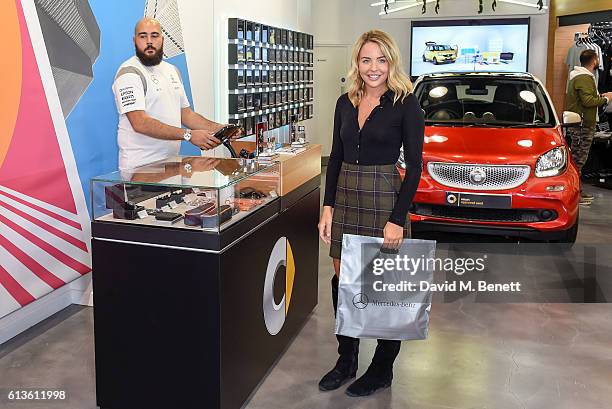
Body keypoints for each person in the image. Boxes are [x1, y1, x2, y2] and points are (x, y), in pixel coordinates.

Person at [317, 30, 424, 397]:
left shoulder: (406, 103)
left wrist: (397, 218)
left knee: (384, 289)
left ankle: (382, 369)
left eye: (381, 60)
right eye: (366, 60)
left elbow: (414, 167)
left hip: (383, 199)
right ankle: (346, 361)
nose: (373, 68)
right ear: (357, 63)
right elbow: (335, 159)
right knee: (345, 284)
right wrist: (327, 207)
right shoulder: (344, 102)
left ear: (391, 62)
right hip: (347, 195)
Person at [112, 18, 239, 171]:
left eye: (154, 35)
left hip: (171, 166)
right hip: (139, 169)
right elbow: (140, 123)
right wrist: (188, 135)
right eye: (143, 36)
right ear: (134, 40)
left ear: (162, 39)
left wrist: (220, 128)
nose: (149, 41)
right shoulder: (129, 73)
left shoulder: (172, 70)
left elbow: (186, 115)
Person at [565, 49, 612, 205]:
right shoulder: (584, 78)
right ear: (594, 60)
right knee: (579, 159)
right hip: (583, 124)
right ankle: (574, 193)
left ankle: (575, 191)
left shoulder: (580, 77)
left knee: (578, 158)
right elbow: (588, 102)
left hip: (580, 123)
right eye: (597, 58)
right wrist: (605, 99)